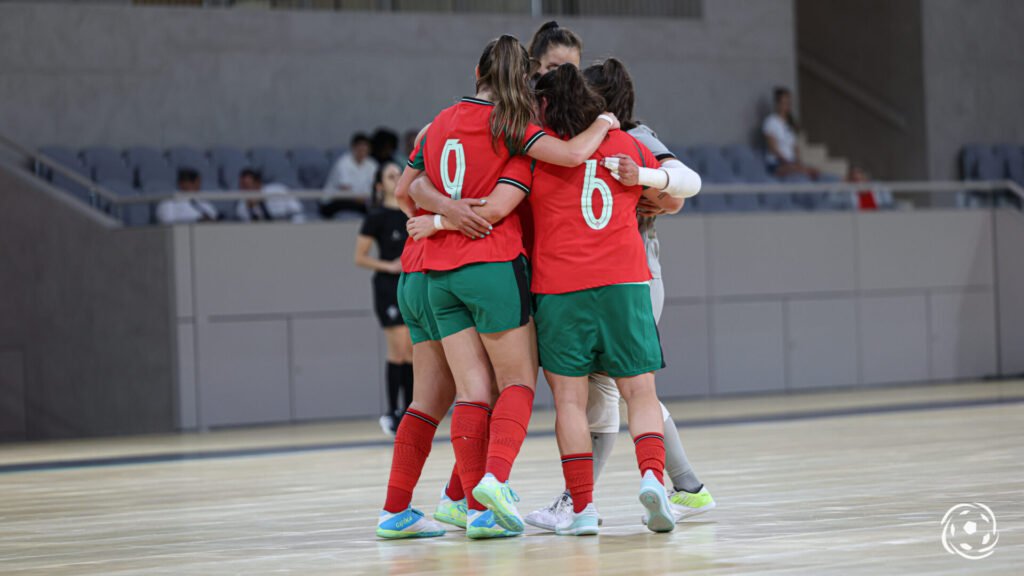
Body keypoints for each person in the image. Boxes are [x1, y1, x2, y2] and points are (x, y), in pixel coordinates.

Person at [397, 34, 619, 540]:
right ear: (526, 77)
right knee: (514, 385)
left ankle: (450, 504)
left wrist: (440, 216)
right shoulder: (515, 129)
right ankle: (485, 491)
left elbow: (404, 190)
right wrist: (606, 123)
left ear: (477, 69)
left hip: (432, 272)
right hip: (495, 265)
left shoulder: (439, 121)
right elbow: (560, 161)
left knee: (463, 394)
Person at [521, 25, 714, 532]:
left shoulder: (538, 149)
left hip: (561, 286)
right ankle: (658, 480)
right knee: (640, 394)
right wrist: (644, 181)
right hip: (626, 281)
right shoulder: (626, 141)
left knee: (572, 401)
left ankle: (580, 507)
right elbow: (681, 191)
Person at [375, 129, 468, 541]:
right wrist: (446, 219)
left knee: (428, 400)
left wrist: (429, 217)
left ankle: (395, 509)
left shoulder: (435, 131)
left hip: (414, 271)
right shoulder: (495, 128)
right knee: (488, 389)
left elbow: (401, 191)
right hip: (451, 270)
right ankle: (463, 499)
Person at [354, 161, 414, 436]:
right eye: (390, 175)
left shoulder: (413, 210)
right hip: (388, 286)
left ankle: (412, 411)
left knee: (414, 351)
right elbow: (360, 257)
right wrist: (389, 266)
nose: (397, 177)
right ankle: (392, 413)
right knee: (399, 348)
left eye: (399, 173)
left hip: (413, 284)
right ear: (380, 184)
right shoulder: (376, 217)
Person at [763, 87, 819, 179]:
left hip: (792, 162)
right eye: (784, 103)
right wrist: (787, 162)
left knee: (815, 171)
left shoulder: (789, 124)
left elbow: (794, 146)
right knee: (805, 171)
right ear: (778, 104)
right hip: (777, 164)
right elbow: (772, 148)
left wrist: (798, 161)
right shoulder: (770, 122)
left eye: (788, 103)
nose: (787, 106)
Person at [321, 133, 377, 217]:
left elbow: (375, 186)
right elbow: (345, 189)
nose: (362, 153)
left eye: (365, 150)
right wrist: (364, 200)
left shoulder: (372, 165)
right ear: (353, 148)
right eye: (359, 149)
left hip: (363, 201)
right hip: (335, 201)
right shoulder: (343, 162)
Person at [235, 169, 304, 223]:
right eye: (242, 187)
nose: (245, 190)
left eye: (247, 186)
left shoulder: (278, 190)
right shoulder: (242, 205)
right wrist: (251, 209)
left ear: (257, 183)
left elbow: (297, 211)